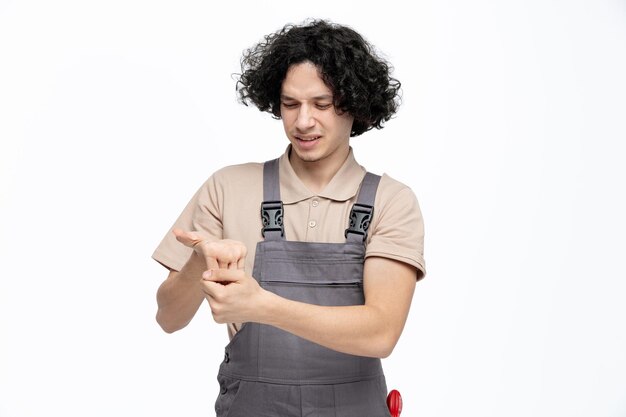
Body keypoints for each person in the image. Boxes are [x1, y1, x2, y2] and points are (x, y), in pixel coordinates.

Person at [153, 18, 426, 417]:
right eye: (290, 104)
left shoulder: (391, 201)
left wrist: (261, 305)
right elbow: (168, 318)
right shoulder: (229, 187)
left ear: (355, 104)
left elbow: (381, 332)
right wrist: (199, 262)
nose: (302, 122)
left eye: (322, 104)